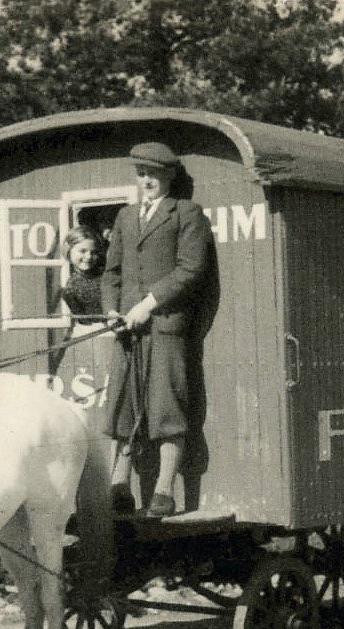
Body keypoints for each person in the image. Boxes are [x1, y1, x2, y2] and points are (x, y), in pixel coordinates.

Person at [102, 142, 213, 517]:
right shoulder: (125, 217)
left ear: (169, 176)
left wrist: (147, 305)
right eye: (141, 173)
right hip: (127, 330)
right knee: (122, 407)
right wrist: (112, 312)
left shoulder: (187, 213)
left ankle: (164, 490)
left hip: (164, 326)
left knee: (167, 408)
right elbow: (111, 273)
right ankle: (119, 485)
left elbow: (190, 269)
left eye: (152, 173)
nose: (145, 180)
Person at [57, 225, 105, 321]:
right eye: (83, 251)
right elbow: (84, 322)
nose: (88, 257)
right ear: (69, 251)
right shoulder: (71, 289)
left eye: (94, 252)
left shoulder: (106, 275)